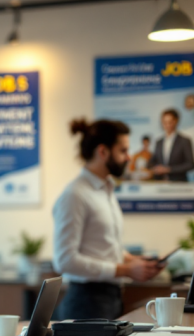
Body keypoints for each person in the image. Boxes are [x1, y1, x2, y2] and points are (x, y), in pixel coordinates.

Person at [53, 119, 163, 320]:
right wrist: (126, 270)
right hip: (86, 302)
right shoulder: (75, 195)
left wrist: (135, 262)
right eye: (123, 151)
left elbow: (104, 244)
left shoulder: (106, 189)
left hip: (109, 297)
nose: (129, 157)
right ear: (102, 152)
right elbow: (65, 260)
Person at [150, 108, 194, 182]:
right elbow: (153, 161)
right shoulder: (159, 142)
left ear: (176, 121)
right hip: (160, 183)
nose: (167, 125)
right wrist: (156, 168)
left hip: (178, 183)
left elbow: (190, 164)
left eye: (170, 122)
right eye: (164, 122)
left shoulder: (185, 141)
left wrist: (169, 169)